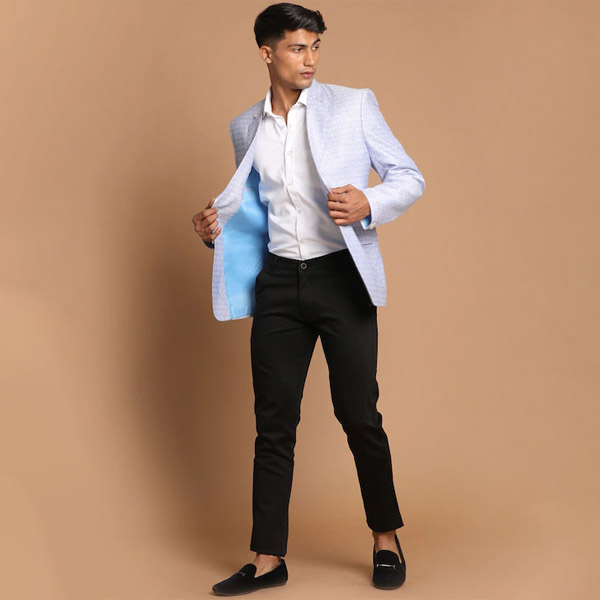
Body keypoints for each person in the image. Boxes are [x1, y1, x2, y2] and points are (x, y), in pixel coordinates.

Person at [192, 2, 425, 595]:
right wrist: (213, 231)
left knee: (359, 415)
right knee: (273, 423)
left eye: (315, 46)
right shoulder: (245, 127)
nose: (310, 59)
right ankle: (268, 558)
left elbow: (409, 177)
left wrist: (370, 203)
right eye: (298, 47)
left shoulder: (353, 105)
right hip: (277, 283)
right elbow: (252, 211)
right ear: (267, 53)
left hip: (342, 278)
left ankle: (386, 539)